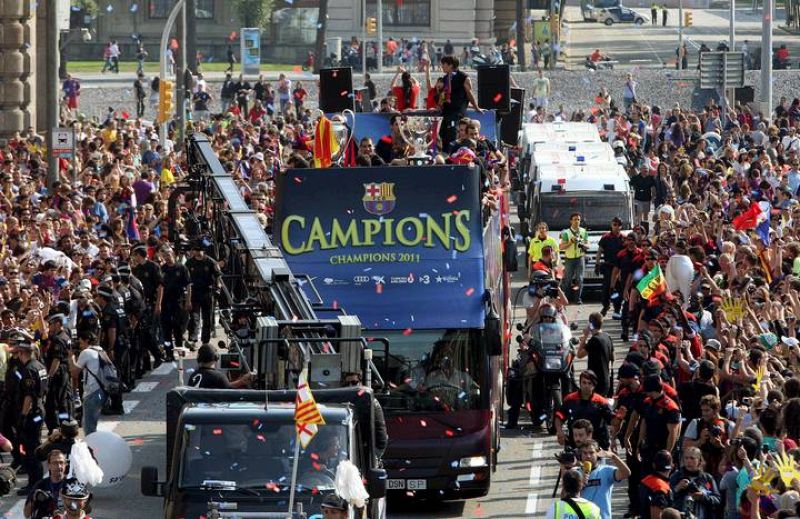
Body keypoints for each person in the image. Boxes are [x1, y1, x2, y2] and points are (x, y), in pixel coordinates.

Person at [15, 330, 47, 495]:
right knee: (33, 446)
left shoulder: (28, 369)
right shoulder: (40, 365)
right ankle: (35, 482)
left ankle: (34, 483)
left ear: (22, 353)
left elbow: (28, 396)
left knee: (29, 449)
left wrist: (23, 415)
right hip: (40, 409)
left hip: (32, 413)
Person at [555, 370, 614, 450]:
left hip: (597, 447)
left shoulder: (601, 402)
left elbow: (612, 421)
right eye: (584, 382)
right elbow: (559, 417)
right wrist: (560, 432)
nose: (586, 386)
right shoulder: (570, 399)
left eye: (589, 383)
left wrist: (619, 418)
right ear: (580, 383)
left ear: (594, 385)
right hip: (575, 445)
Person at [95, 284, 128, 415]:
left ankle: (116, 405)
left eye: (97, 296)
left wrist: (110, 349)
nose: (96, 298)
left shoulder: (108, 312)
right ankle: (115, 404)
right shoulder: (118, 308)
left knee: (113, 376)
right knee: (117, 374)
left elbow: (112, 332)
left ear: (102, 298)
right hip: (123, 344)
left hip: (116, 347)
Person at [579, 440, 631, 519]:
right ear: (580, 455)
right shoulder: (575, 473)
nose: (588, 456)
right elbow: (564, 497)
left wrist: (613, 456)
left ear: (597, 454)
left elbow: (626, 473)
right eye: (585, 453)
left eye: (591, 453)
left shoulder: (606, 470)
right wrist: (578, 485)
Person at [438, 55, 482, 147]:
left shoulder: (463, 77)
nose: (442, 66)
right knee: (443, 134)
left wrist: (476, 107)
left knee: (453, 134)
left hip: (457, 113)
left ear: (450, 65)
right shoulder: (445, 78)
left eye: (444, 64)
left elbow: (469, 93)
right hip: (446, 112)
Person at [342, 371, 388, 458]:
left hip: (373, 446)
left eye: (354, 383)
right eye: (347, 384)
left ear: (360, 383)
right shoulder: (359, 397)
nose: (350, 386)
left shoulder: (364, 398)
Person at [69, 331, 106, 435]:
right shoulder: (100, 350)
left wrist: (71, 358)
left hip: (92, 393)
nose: (80, 346)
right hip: (102, 391)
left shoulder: (86, 352)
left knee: (89, 427)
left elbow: (74, 373)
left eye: (81, 343)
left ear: (87, 341)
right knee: (92, 423)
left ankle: (92, 449)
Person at [668, 447, 721, 519]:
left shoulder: (707, 478)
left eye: (692, 458)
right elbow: (665, 499)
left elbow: (717, 500)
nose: (688, 461)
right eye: (686, 458)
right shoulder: (676, 476)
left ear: (699, 460)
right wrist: (676, 489)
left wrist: (702, 497)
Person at [185, 240, 221, 348]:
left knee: (207, 317)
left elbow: (218, 275)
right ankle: (193, 339)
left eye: (199, 250)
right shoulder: (189, 263)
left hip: (207, 293)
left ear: (203, 251)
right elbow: (186, 278)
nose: (197, 252)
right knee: (194, 317)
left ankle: (205, 341)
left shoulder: (210, 262)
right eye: (195, 250)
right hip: (194, 293)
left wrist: (218, 287)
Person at [159, 245, 191, 360]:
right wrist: (158, 304)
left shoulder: (181, 268)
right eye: (164, 255)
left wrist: (188, 301)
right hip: (165, 302)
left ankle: (179, 349)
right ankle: (168, 353)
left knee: (178, 327)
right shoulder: (162, 269)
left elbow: (188, 285)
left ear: (172, 254)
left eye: (168, 254)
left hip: (178, 301)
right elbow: (160, 287)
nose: (167, 257)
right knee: (166, 329)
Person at [43, 313, 72, 434]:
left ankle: (55, 427)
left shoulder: (58, 339)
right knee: (63, 401)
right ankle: (65, 424)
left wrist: (49, 376)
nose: (49, 327)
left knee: (52, 402)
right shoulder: (66, 335)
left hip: (58, 373)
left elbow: (56, 360)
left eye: (51, 324)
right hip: (65, 371)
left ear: (58, 324)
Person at [577, 313, 614, 397]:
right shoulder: (607, 336)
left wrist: (585, 336)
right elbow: (612, 356)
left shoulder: (594, 340)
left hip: (596, 383)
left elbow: (579, 355)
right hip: (606, 381)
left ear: (591, 325)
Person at [24, 449, 67, 519]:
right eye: (55, 463)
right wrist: (34, 499)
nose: (59, 466)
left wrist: (67, 510)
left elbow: (86, 509)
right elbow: (26, 514)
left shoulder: (71, 484)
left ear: (65, 464)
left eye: (61, 462)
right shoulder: (40, 485)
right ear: (49, 465)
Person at [187, 344, 251, 389]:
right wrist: (242, 381)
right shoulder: (218, 377)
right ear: (216, 358)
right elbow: (229, 389)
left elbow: (226, 386)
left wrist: (241, 381)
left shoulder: (193, 376)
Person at [596, 217, 625, 317]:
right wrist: (597, 263)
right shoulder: (606, 237)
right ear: (611, 225)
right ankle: (605, 306)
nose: (616, 227)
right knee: (606, 289)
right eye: (614, 225)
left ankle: (617, 309)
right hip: (608, 267)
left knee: (617, 289)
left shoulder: (624, 238)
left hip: (619, 268)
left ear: (621, 226)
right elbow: (600, 250)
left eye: (618, 225)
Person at [559, 212, 589, 304]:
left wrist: (583, 244)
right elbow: (561, 247)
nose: (577, 221)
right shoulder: (566, 233)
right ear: (571, 221)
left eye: (578, 219)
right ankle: (566, 298)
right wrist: (571, 242)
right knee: (567, 280)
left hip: (580, 258)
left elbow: (588, 244)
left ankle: (577, 299)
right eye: (575, 219)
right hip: (569, 259)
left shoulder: (584, 231)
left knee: (579, 279)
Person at [639, 450, 674, 519]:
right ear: (672, 466)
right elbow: (656, 516)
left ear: (654, 465)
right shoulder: (660, 487)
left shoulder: (646, 480)